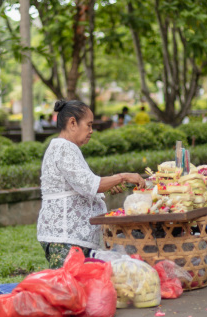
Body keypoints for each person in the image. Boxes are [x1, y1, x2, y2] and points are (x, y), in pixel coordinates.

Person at [37, 99, 145, 269]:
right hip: (65, 238)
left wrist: (110, 185)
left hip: (72, 238)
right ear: (73, 122)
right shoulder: (63, 148)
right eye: (88, 125)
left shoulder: (66, 148)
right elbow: (92, 184)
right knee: (70, 288)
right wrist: (123, 177)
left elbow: (83, 185)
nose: (91, 131)